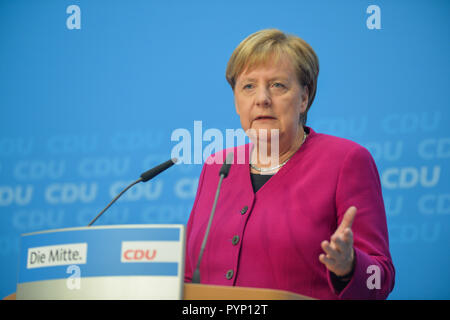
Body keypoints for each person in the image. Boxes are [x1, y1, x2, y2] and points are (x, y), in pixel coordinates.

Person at [184, 29, 395, 300]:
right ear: (237, 101)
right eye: (248, 86)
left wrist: (349, 267)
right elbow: (190, 274)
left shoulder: (346, 161)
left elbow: (381, 280)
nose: (262, 98)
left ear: (304, 98)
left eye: (277, 85)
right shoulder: (218, 166)